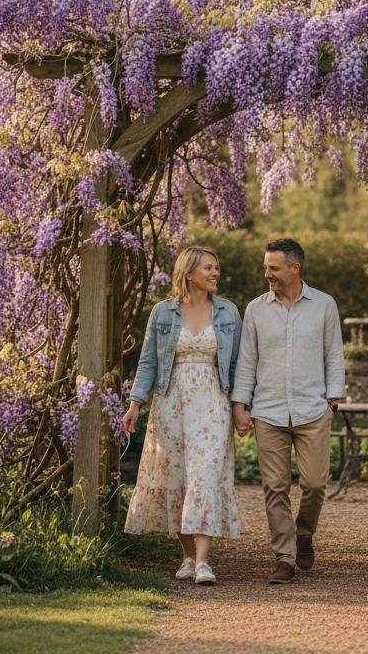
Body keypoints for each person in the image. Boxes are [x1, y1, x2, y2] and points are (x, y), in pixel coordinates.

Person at [123, 246, 242, 585]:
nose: (215, 273)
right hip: (171, 401)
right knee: (177, 477)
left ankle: (204, 562)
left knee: (205, 475)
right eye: (208, 268)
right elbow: (148, 362)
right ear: (189, 273)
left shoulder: (229, 312)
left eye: (216, 267)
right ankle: (188, 557)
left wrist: (240, 407)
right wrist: (135, 404)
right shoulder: (163, 313)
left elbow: (238, 364)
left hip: (213, 401)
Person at [231, 237, 346, 584]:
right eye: (266, 266)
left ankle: (305, 533)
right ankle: (285, 557)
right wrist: (241, 406)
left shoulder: (324, 305)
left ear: (295, 269)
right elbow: (247, 360)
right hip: (269, 412)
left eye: (273, 267)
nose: (267, 273)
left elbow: (334, 355)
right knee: (275, 487)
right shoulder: (256, 309)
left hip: (313, 410)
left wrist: (332, 403)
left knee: (314, 484)